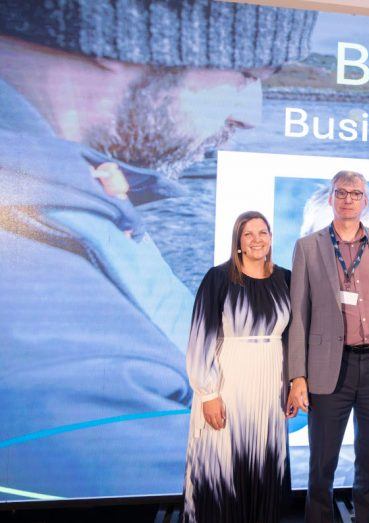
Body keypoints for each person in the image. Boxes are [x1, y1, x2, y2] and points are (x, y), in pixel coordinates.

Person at [0, 1, 316, 499]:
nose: (251, 114)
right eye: (242, 74)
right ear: (113, 29)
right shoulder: (53, 340)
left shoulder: (86, 193)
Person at [286, 170, 369, 522]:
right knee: (321, 467)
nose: (347, 199)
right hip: (329, 371)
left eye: (355, 193)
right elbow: (298, 315)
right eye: (341, 192)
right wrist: (297, 376)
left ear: (364, 200)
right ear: (331, 198)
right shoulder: (308, 247)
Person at [183, 211, 290, 523]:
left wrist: (292, 383)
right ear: (239, 242)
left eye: (262, 232)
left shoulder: (285, 279)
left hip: (269, 386)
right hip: (228, 384)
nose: (257, 239)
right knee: (223, 465)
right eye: (248, 234)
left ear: (270, 238)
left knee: (263, 463)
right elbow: (200, 338)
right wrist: (208, 394)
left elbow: (291, 338)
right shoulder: (218, 278)